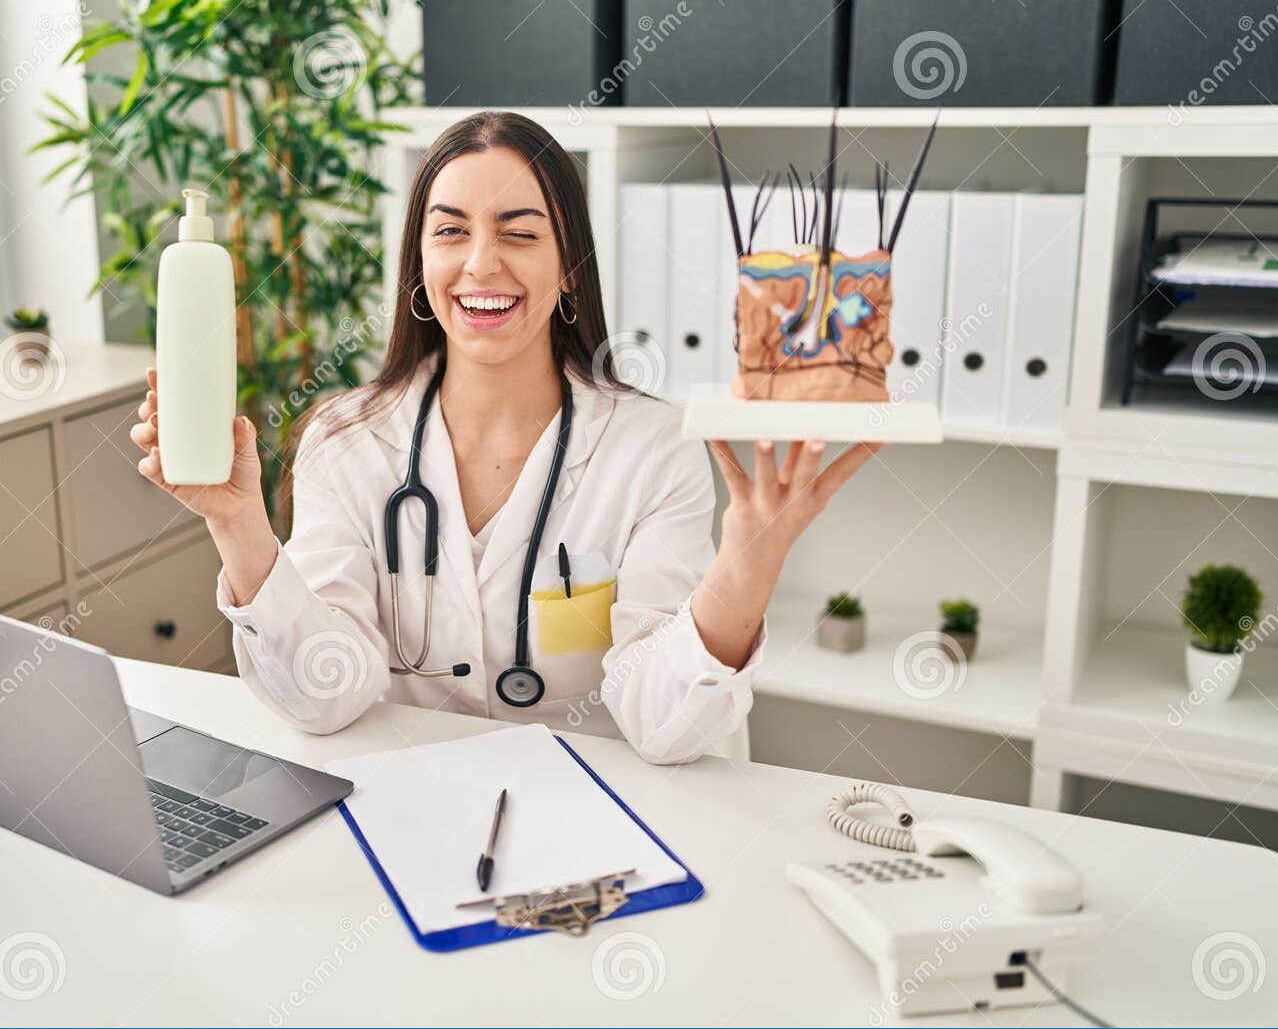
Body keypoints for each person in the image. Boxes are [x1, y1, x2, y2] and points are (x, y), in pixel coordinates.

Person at [132, 111, 879, 764]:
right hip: (410, 811)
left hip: (593, 823)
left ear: (572, 271)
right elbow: (325, 697)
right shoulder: (346, 438)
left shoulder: (651, 448)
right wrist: (237, 525)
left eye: (520, 233)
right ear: (420, 268)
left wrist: (749, 564)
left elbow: (662, 727)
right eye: (450, 231)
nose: (481, 263)